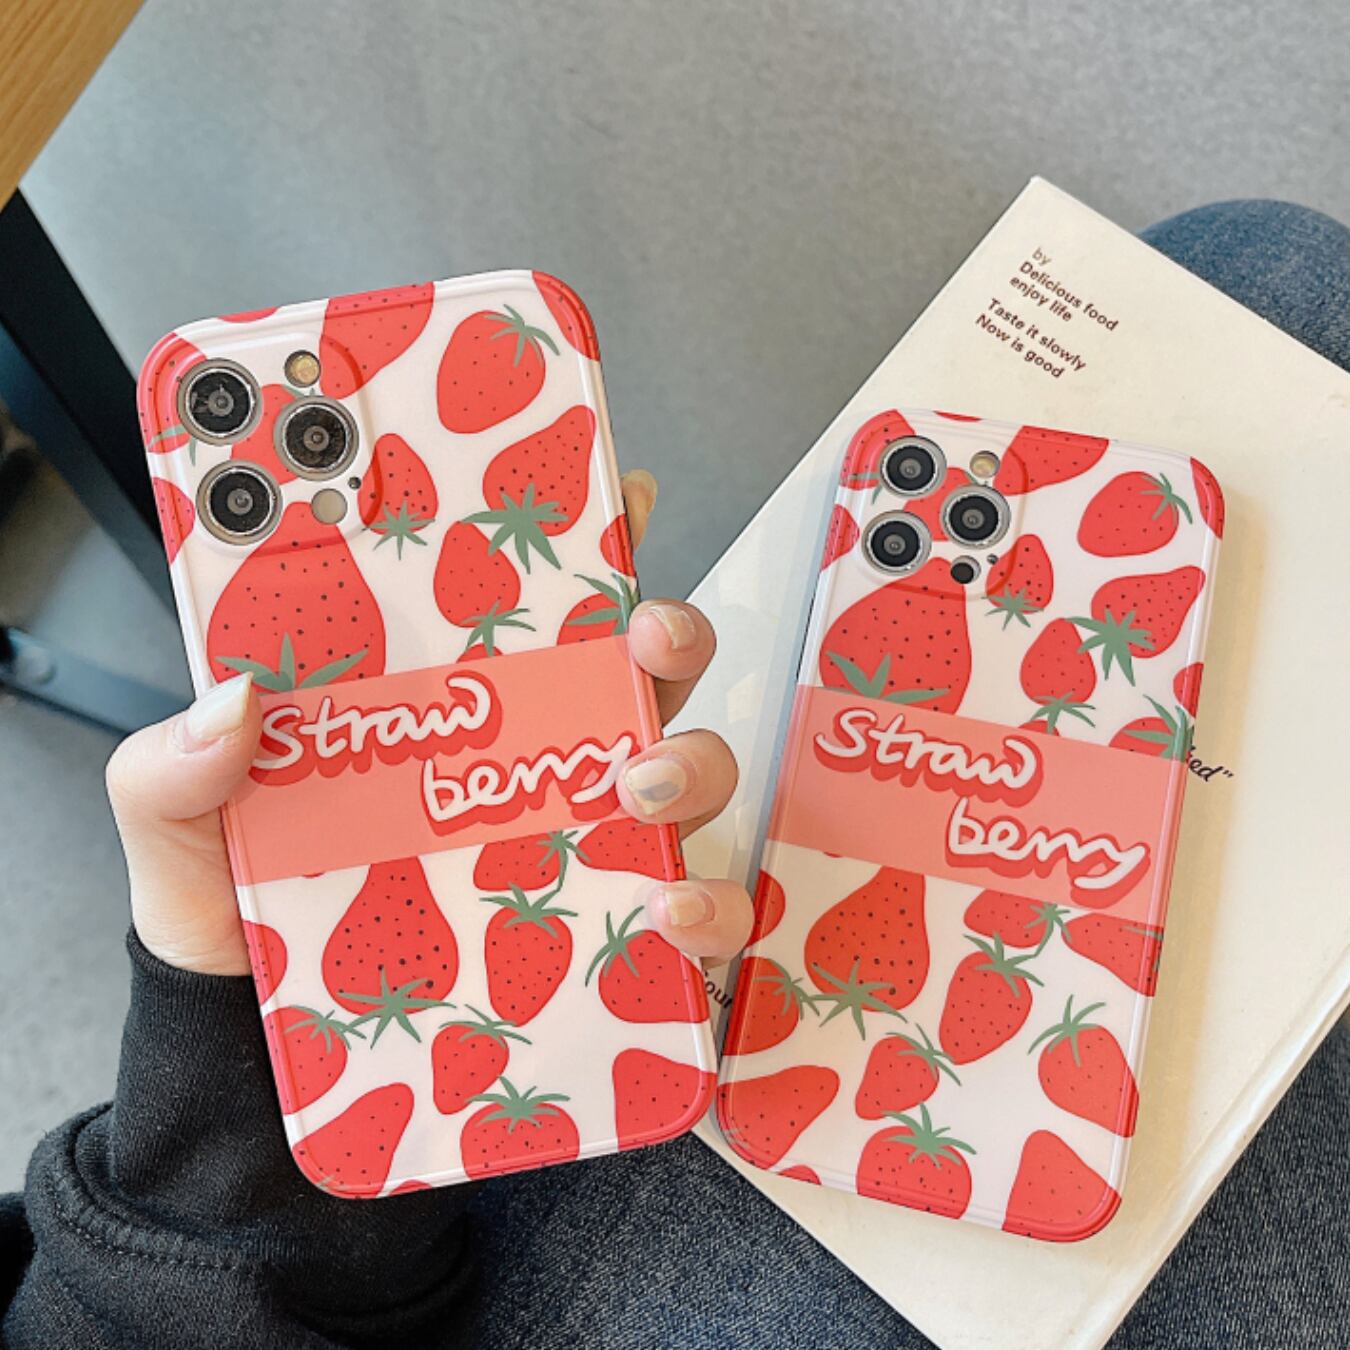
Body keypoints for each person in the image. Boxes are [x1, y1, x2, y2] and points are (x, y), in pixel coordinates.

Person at [2, 201, 1347, 1349]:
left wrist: (217, 1019)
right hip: (305, 1259)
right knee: (1277, 281)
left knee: (1272, 275)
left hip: (282, 1245)